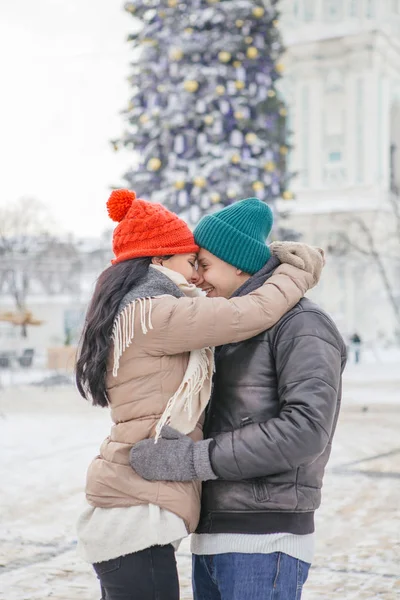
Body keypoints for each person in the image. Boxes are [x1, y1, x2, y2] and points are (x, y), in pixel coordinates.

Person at [75, 189, 324, 600]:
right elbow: (252, 313)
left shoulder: (141, 309)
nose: (195, 276)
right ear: (159, 259)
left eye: (202, 263)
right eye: (191, 261)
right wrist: (297, 269)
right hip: (134, 512)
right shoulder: (156, 311)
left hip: (132, 506)